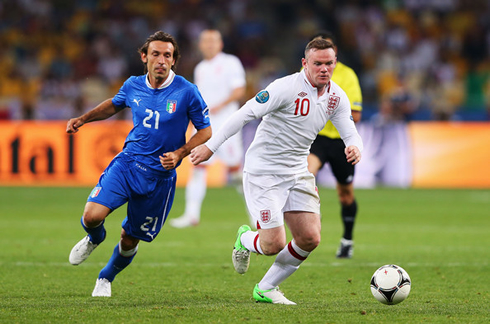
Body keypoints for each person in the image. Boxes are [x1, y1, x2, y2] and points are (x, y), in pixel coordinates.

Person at [190, 38, 363, 305]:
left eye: (329, 63)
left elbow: (350, 131)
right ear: (305, 63)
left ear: (335, 63)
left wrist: (354, 147)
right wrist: (210, 147)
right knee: (273, 245)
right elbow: (244, 114)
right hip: (264, 173)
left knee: (310, 238)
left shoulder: (337, 97)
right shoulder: (285, 88)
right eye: (318, 63)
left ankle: (266, 288)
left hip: (297, 171)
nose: (324, 69)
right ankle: (245, 238)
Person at [66, 31, 211, 297]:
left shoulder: (187, 92)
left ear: (174, 61)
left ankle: (105, 277)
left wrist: (180, 153)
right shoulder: (133, 85)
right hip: (128, 164)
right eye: (155, 54)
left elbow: (205, 131)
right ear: (144, 57)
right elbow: (114, 105)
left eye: (167, 55)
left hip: (160, 178)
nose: (161, 60)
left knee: (129, 238)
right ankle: (94, 238)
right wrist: (83, 118)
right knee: (91, 216)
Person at [170, 29, 246, 228]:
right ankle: (191, 215)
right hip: (204, 125)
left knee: (237, 172)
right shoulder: (201, 68)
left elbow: (239, 90)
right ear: (200, 45)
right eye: (205, 41)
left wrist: (220, 105)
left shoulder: (231, 62)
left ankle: (257, 214)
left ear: (220, 44)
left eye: (213, 41)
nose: (209, 44)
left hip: (227, 124)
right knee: (197, 167)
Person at [306, 31, 363, 258]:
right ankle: (310, 223)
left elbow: (356, 114)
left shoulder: (348, 76)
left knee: (345, 194)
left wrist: (326, 110)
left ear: (335, 53)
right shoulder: (304, 74)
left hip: (341, 141)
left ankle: (347, 239)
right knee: (307, 175)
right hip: (316, 137)